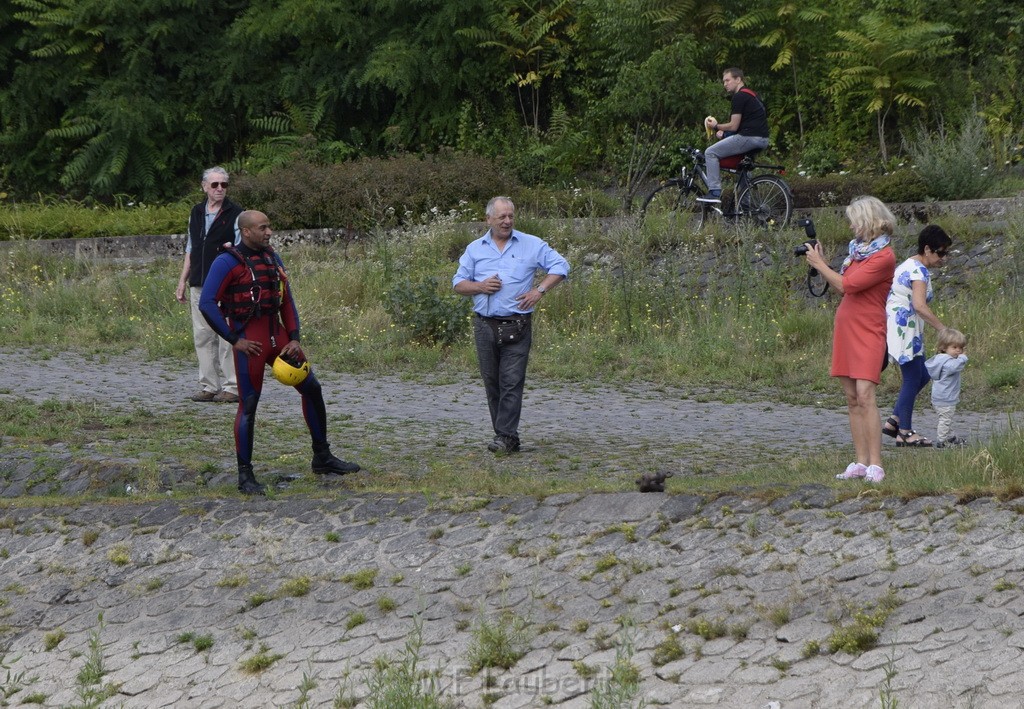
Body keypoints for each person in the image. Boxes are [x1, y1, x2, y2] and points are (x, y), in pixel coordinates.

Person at [199, 210, 360, 495]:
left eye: (269, 227)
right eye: (263, 228)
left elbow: (287, 300)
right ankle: (245, 475)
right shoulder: (226, 262)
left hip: (280, 339)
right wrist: (234, 340)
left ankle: (322, 457)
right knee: (248, 405)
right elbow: (207, 304)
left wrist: (295, 338)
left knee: (313, 388)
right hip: (251, 342)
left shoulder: (273, 257)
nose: (269, 232)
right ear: (246, 231)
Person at [453, 196, 569, 454]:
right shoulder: (474, 249)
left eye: (510, 217)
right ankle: (506, 436)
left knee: (511, 381)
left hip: (517, 325)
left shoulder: (531, 244)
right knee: (492, 382)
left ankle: (505, 436)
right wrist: (481, 286)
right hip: (484, 326)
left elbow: (561, 266)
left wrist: (539, 290)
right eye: (501, 217)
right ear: (488, 219)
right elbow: (458, 284)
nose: (507, 221)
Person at [804, 196, 897, 483]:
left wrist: (819, 263)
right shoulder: (857, 253)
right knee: (852, 397)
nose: (851, 225)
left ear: (868, 220)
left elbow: (848, 285)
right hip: (847, 326)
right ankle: (860, 461)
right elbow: (843, 287)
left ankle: (876, 465)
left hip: (869, 329)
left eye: (854, 219)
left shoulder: (884, 256)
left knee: (866, 395)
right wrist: (822, 265)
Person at [176, 167, 243, 403]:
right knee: (202, 335)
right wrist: (182, 280)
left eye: (224, 185)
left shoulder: (236, 213)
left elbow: (240, 248)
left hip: (225, 285)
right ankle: (208, 385)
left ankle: (232, 387)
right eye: (215, 185)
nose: (219, 189)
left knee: (226, 335)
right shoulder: (196, 212)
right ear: (204, 187)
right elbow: (190, 248)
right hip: (198, 282)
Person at [882, 225, 953, 447]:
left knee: (923, 374)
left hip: (904, 326)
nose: (943, 258)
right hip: (904, 328)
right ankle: (905, 431)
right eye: (940, 252)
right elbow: (920, 306)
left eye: (946, 253)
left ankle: (894, 421)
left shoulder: (910, 264)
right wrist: (943, 330)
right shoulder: (918, 271)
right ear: (927, 249)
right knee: (913, 378)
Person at [697, 67, 770, 204]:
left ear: (738, 79)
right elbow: (745, 124)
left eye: (727, 80)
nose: (725, 84)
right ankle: (746, 207)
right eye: (724, 81)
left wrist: (716, 126)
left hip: (750, 138)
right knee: (743, 167)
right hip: (762, 139)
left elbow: (734, 125)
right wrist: (725, 134)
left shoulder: (739, 96)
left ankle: (714, 192)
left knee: (710, 152)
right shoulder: (753, 95)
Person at [926, 328, 969, 448]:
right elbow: (954, 367)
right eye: (954, 348)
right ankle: (942, 441)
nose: (958, 351)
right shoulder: (948, 362)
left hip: (939, 396)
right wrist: (963, 358)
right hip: (946, 398)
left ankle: (950, 437)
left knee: (947, 418)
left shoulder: (940, 359)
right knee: (945, 419)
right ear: (944, 348)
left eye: (960, 348)